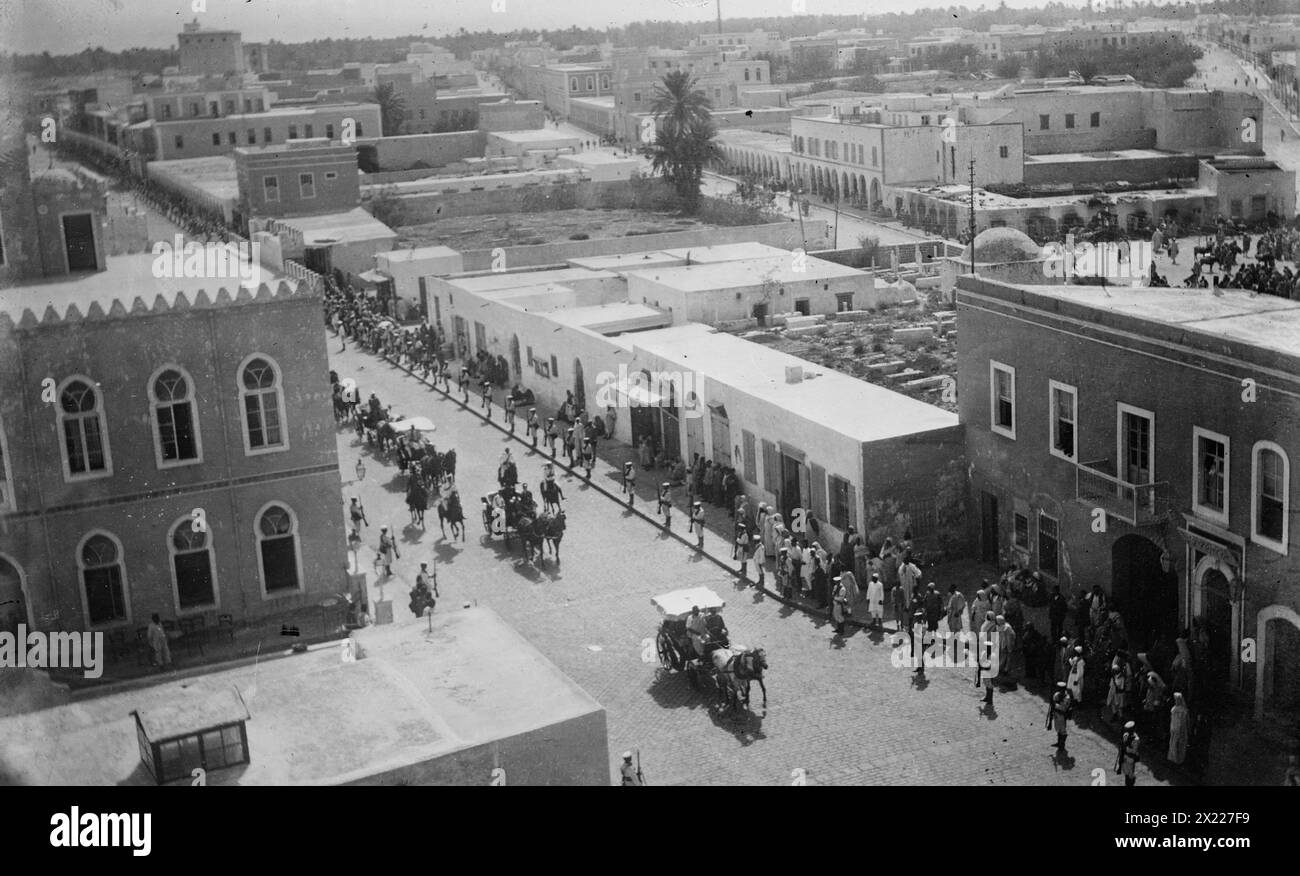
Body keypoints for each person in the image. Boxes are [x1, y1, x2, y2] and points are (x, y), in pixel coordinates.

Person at [1047, 681, 1073, 752]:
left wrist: (1054, 705)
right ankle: (1059, 743)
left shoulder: (1067, 698)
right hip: (1056, 715)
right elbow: (1053, 707)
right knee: (1058, 728)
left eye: (1060, 689)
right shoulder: (1056, 694)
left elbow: (1063, 708)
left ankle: (1062, 744)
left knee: (1063, 730)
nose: (1059, 691)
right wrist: (1050, 719)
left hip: (1062, 716)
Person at [1167, 692, 1190, 765]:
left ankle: (1179, 760)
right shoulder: (1173, 709)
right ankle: (1173, 759)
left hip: (1181, 730)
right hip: (1174, 729)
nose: (1175, 701)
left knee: (1180, 745)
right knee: (1173, 744)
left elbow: (1186, 721)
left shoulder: (1184, 711)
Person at [1116, 721, 1141, 787]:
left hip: (1131, 758)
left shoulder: (1136, 739)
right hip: (1125, 757)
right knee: (1126, 772)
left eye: (1128, 730)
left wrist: (1125, 747)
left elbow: (1133, 750)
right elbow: (1122, 744)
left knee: (1130, 774)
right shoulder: (1126, 735)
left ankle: (1130, 782)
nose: (1126, 732)